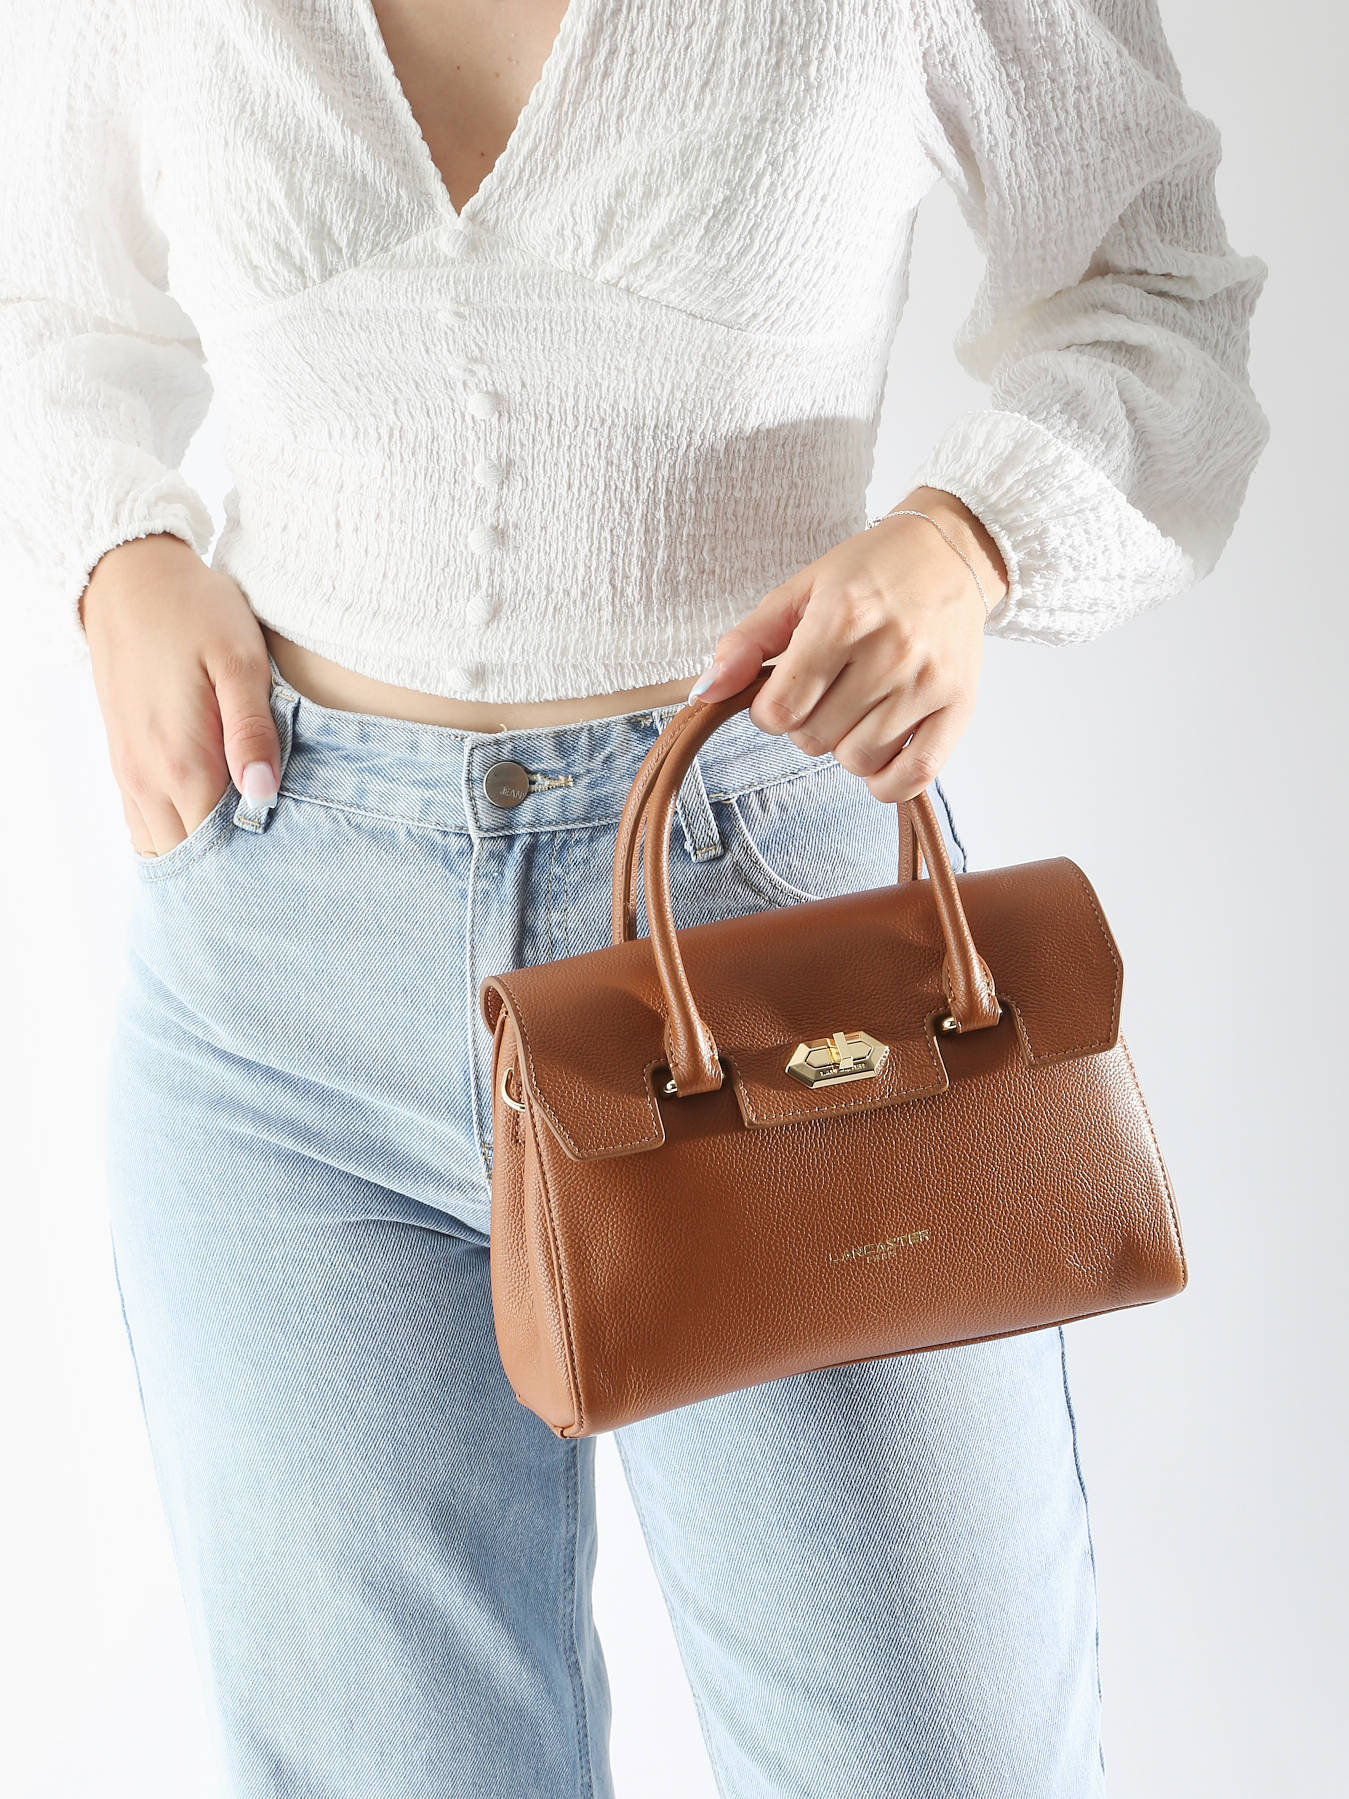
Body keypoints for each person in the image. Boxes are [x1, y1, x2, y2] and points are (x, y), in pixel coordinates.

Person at [0, 2, 1267, 1794]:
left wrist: (966, 541)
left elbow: (1159, 290)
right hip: (276, 976)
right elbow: (43, 298)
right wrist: (115, 551)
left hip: (782, 964)